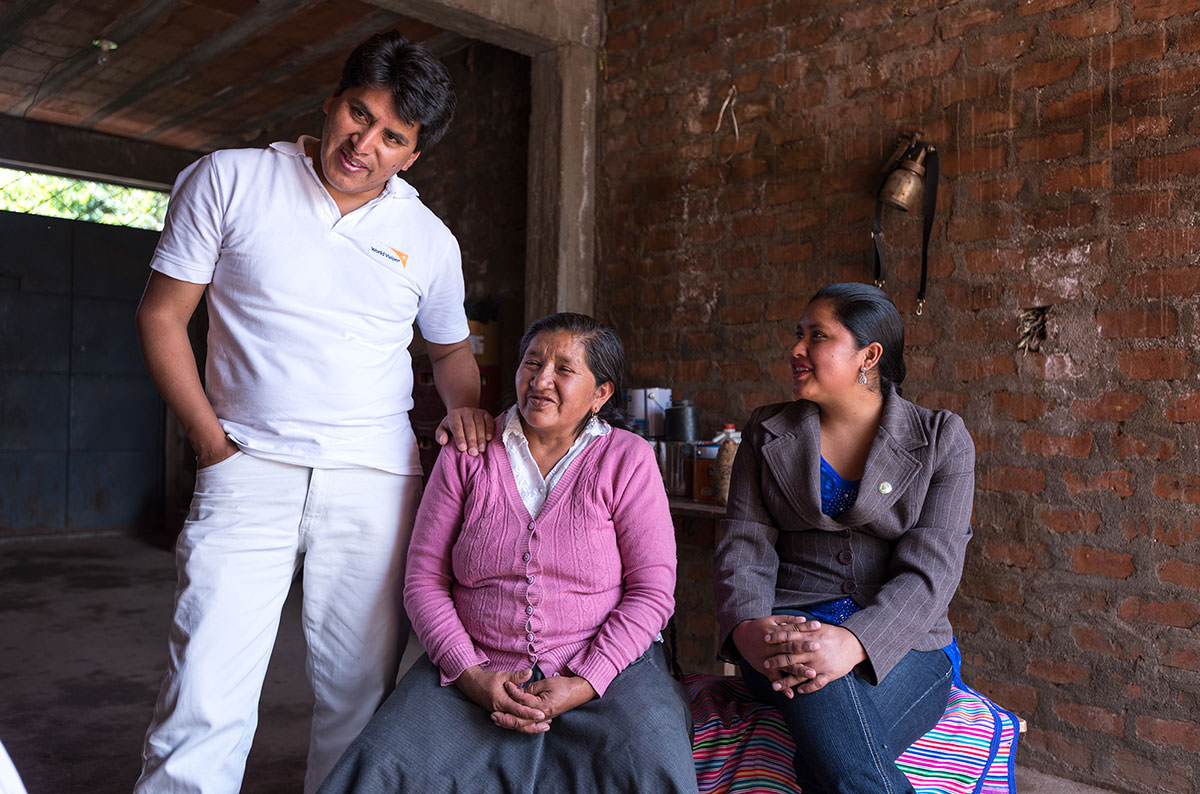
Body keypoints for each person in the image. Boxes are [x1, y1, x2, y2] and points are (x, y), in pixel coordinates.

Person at [133, 32, 494, 794]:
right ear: (331, 103)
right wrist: (210, 442)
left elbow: (451, 354)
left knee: (359, 703)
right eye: (357, 115)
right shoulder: (230, 179)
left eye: (392, 136)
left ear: (413, 155)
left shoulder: (429, 240)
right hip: (245, 468)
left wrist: (470, 416)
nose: (363, 144)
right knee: (204, 692)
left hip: (376, 483)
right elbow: (163, 317)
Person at [317, 312, 699, 794]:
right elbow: (424, 580)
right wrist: (471, 674)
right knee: (379, 766)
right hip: (475, 663)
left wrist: (584, 681)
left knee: (652, 765)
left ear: (600, 394)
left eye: (564, 369)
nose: (540, 380)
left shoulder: (628, 459)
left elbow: (652, 594)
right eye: (532, 363)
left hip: (606, 668)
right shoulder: (467, 453)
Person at [713, 282, 976, 794]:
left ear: (868, 356)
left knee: (824, 752)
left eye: (817, 336)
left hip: (905, 645)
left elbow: (931, 574)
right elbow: (744, 547)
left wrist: (855, 642)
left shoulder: (942, 439)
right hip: (784, 633)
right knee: (808, 668)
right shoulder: (767, 432)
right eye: (799, 335)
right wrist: (748, 630)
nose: (796, 349)